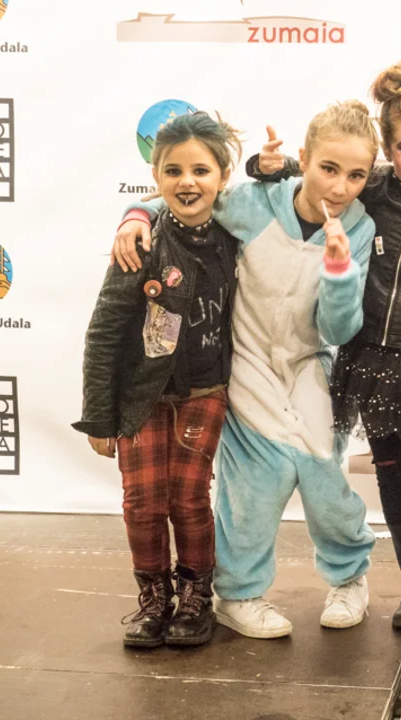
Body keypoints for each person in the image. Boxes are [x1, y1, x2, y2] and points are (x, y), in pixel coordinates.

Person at [110, 101, 380, 638]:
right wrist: (136, 214)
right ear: (304, 159)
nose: (340, 187)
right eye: (328, 169)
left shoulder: (360, 225)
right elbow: (186, 199)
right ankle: (238, 594)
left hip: (309, 364)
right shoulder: (256, 203)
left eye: (356, 176)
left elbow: (339, 328)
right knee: (258, 480)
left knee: (324, 477)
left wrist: (338, 270)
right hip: (248, 361)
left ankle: (350, 577)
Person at [246, 48, 401, 631]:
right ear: (387, 148)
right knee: (390, 474)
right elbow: (312, 175)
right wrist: (264, 166)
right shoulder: (373, 188)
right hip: (374, 359)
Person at [73, 111, 242, 648]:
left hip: (205, 392)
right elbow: (104, 333)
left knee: (189, 498)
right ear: (156, 176)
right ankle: (153, 598)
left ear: (223, 176)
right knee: (142, 502)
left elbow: (283, 198)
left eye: (201, 170)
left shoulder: (236, 235)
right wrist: (99, 417)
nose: (187, 182)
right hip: (140, 397)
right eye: (173, 171)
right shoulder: (140, 244)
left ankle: (195, 597)